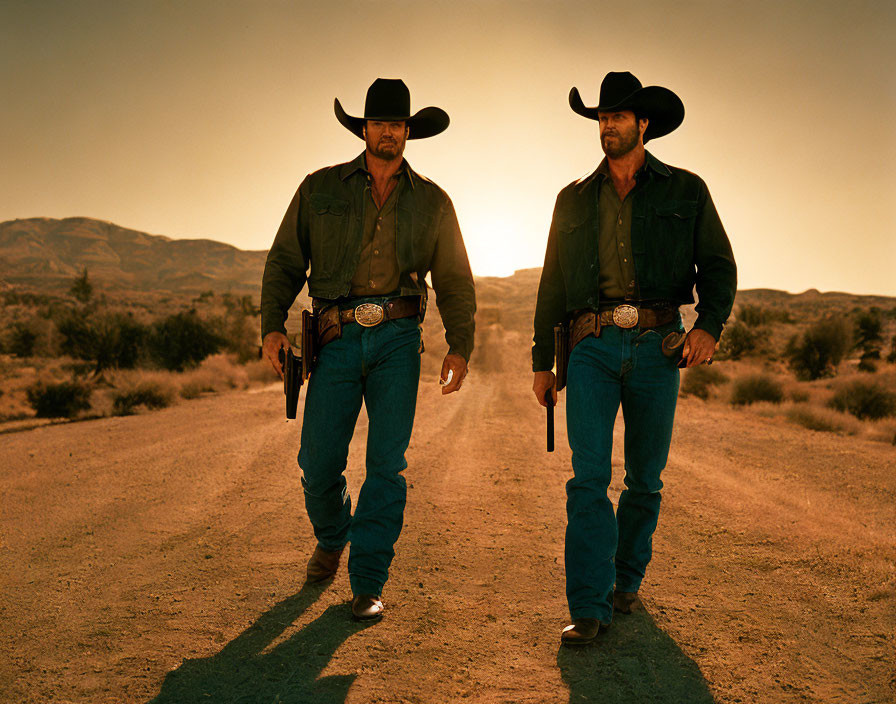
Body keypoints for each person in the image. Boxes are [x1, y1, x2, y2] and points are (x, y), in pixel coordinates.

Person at [532, 71, 736, 645]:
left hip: (659, 347)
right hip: (590, 347)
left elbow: (719, 267)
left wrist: (709, 329)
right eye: (602, 117)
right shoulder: (571, 198)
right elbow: (551, 284)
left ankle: (626, 580)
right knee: (588, 479)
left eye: (619, 116)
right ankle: (589, 606)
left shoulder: (686, 190)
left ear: (644, 123)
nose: (609, 125)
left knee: (645, 480)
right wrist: (542, 361)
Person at [261, 78, 475, 622]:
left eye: (399, 125)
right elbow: (286, 261)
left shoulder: (433, 200)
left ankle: (368, 581)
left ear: (408, 132)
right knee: (317, 462)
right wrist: (272, 326)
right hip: (333, 338)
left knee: (386, 464)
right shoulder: (320, 188)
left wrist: (460, 345)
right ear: (363, 128)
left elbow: (454, 278)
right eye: (380, 123)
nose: (390, 132)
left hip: (399, 340)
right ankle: (333, 536)